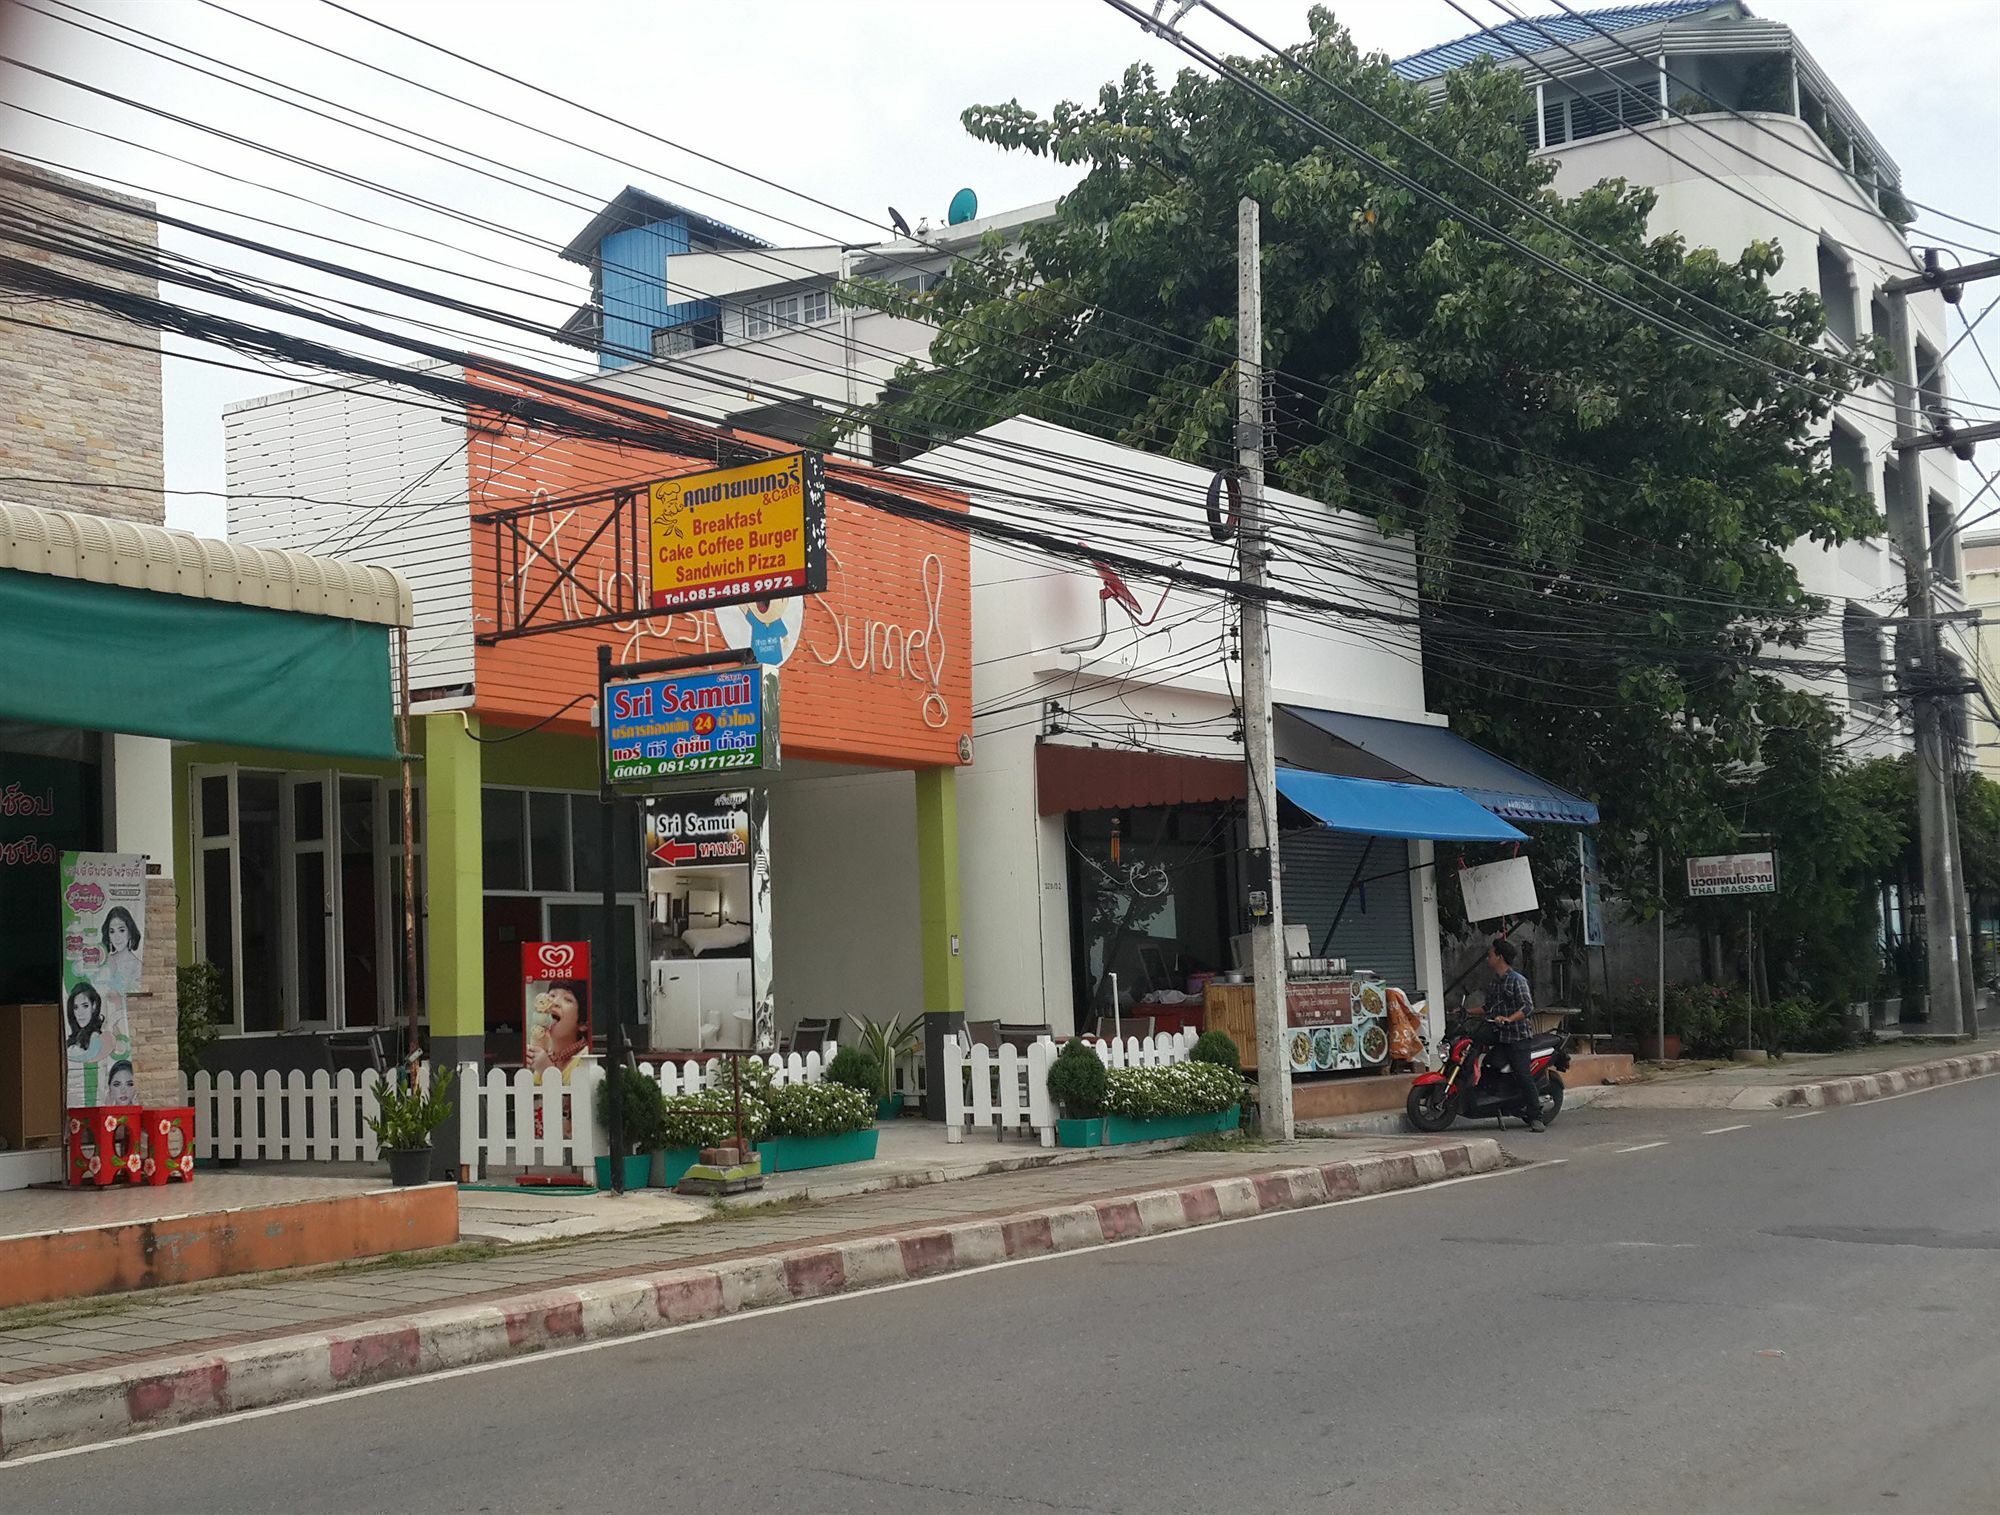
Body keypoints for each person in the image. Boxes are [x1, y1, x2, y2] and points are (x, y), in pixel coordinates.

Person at [1480, 937, 1544, 1132]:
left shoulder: (1517, 980)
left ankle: (1536, 1116)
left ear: (1499, 957)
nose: (1487, 958)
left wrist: (1509, 1019)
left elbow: (1527, 1007)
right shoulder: (1494, 983)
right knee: (1489, 1065)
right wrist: (1464, 1012)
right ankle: (1499, 1103)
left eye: (1490, 954)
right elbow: (1488, 1008)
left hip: (1518, 1037)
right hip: (1500, 1037)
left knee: (1523, 1075)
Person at [99, 906, 144, 994]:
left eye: (121, 930)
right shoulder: (105, 961)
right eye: (112, 931)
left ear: (130, 932)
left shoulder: (137, 966)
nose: (117, 937)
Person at [64, 981, 106, 1058]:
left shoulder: (94, 1036)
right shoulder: (76, 1036)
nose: (80, 1013)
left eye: (85, 1006)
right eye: (75, 1007)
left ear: (93, 1006)